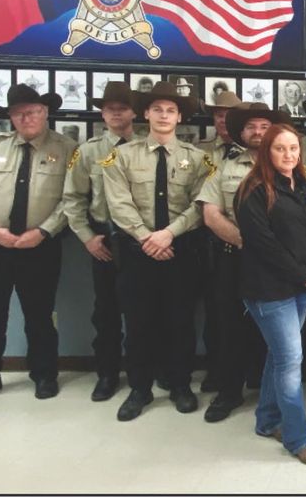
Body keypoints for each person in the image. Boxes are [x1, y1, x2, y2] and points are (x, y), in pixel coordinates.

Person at [0, 85, 77, 408]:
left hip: (41, 246)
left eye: (33, 111)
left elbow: (72, 199)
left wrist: (45, 231)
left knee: (41, 315)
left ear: (46, 113)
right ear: (10, 116)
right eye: (19, 112)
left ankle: (45, 374)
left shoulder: (68, 150)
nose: (27, 117)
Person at [103, 81, 212, 422]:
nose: (164, 115)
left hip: (181, 250)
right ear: (145, 114)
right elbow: (118, 204)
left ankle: (180, 385)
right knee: (138, 323)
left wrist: (167, 234)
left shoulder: (197, 159)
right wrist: (146, 238)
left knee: (180, 321)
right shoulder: (122, 156)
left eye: (171, 110)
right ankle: (140, 388)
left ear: (180, 117)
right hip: (137, 252)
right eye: (157, 109)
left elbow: (201, 204)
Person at [236, 123, 306, 466]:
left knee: (280, 356)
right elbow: (265, 247)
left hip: (303, 286)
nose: (288, 155)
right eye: (280, 148)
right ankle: (298, 437)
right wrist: (304, 274)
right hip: (269, 290)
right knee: (291, 360)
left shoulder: (305, 186)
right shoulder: (254, 190)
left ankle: (267, 420)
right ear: (267, 151)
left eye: (293, 148)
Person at [196, 102, 291, 423]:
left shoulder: (287, 164)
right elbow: (210, 212)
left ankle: (269, 391)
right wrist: (245, 242)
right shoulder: (225, 166)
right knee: (229, 326)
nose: (258, 132)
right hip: (233, 259)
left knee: (273, 330)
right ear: (241, 132)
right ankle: (228, 392)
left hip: (276, 264)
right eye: (251, 127)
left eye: (265, 127)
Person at [62, 82, 141, 402]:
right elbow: (73, 198)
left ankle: (144, 371)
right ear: (102, 112)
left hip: (140, 240)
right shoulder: (89, 151)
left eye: (122, 107)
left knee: (144, 310)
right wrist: (87, 238)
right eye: (109, 108)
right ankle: (107, 373)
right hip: (103, 239)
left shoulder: (148, 146)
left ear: (135, 112)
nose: (115, 113)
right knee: (105, 310)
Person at [195, 90, 246, 393]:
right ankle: (217, 372)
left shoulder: (258, 154)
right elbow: (193, 199)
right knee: (216, 312)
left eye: (229, 115)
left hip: (247, 246)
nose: (223, 120)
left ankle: (249, 371)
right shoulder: (200, 151)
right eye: (217, 115)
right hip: (205, 241)